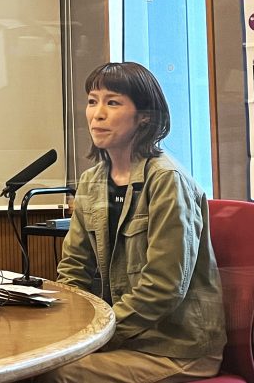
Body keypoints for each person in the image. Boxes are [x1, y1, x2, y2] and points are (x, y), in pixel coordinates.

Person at [36, 62, 225, 383]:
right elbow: (73, 270)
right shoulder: (92, 181)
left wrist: (96, 335)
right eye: (92, 101)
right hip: (124, 339)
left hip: (175, 348)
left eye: (112, 102)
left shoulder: (167, 179)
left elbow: (164, 287)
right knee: (31, 361)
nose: (97, 114)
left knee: (56, 374)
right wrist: (66, 329)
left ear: (144, 117)